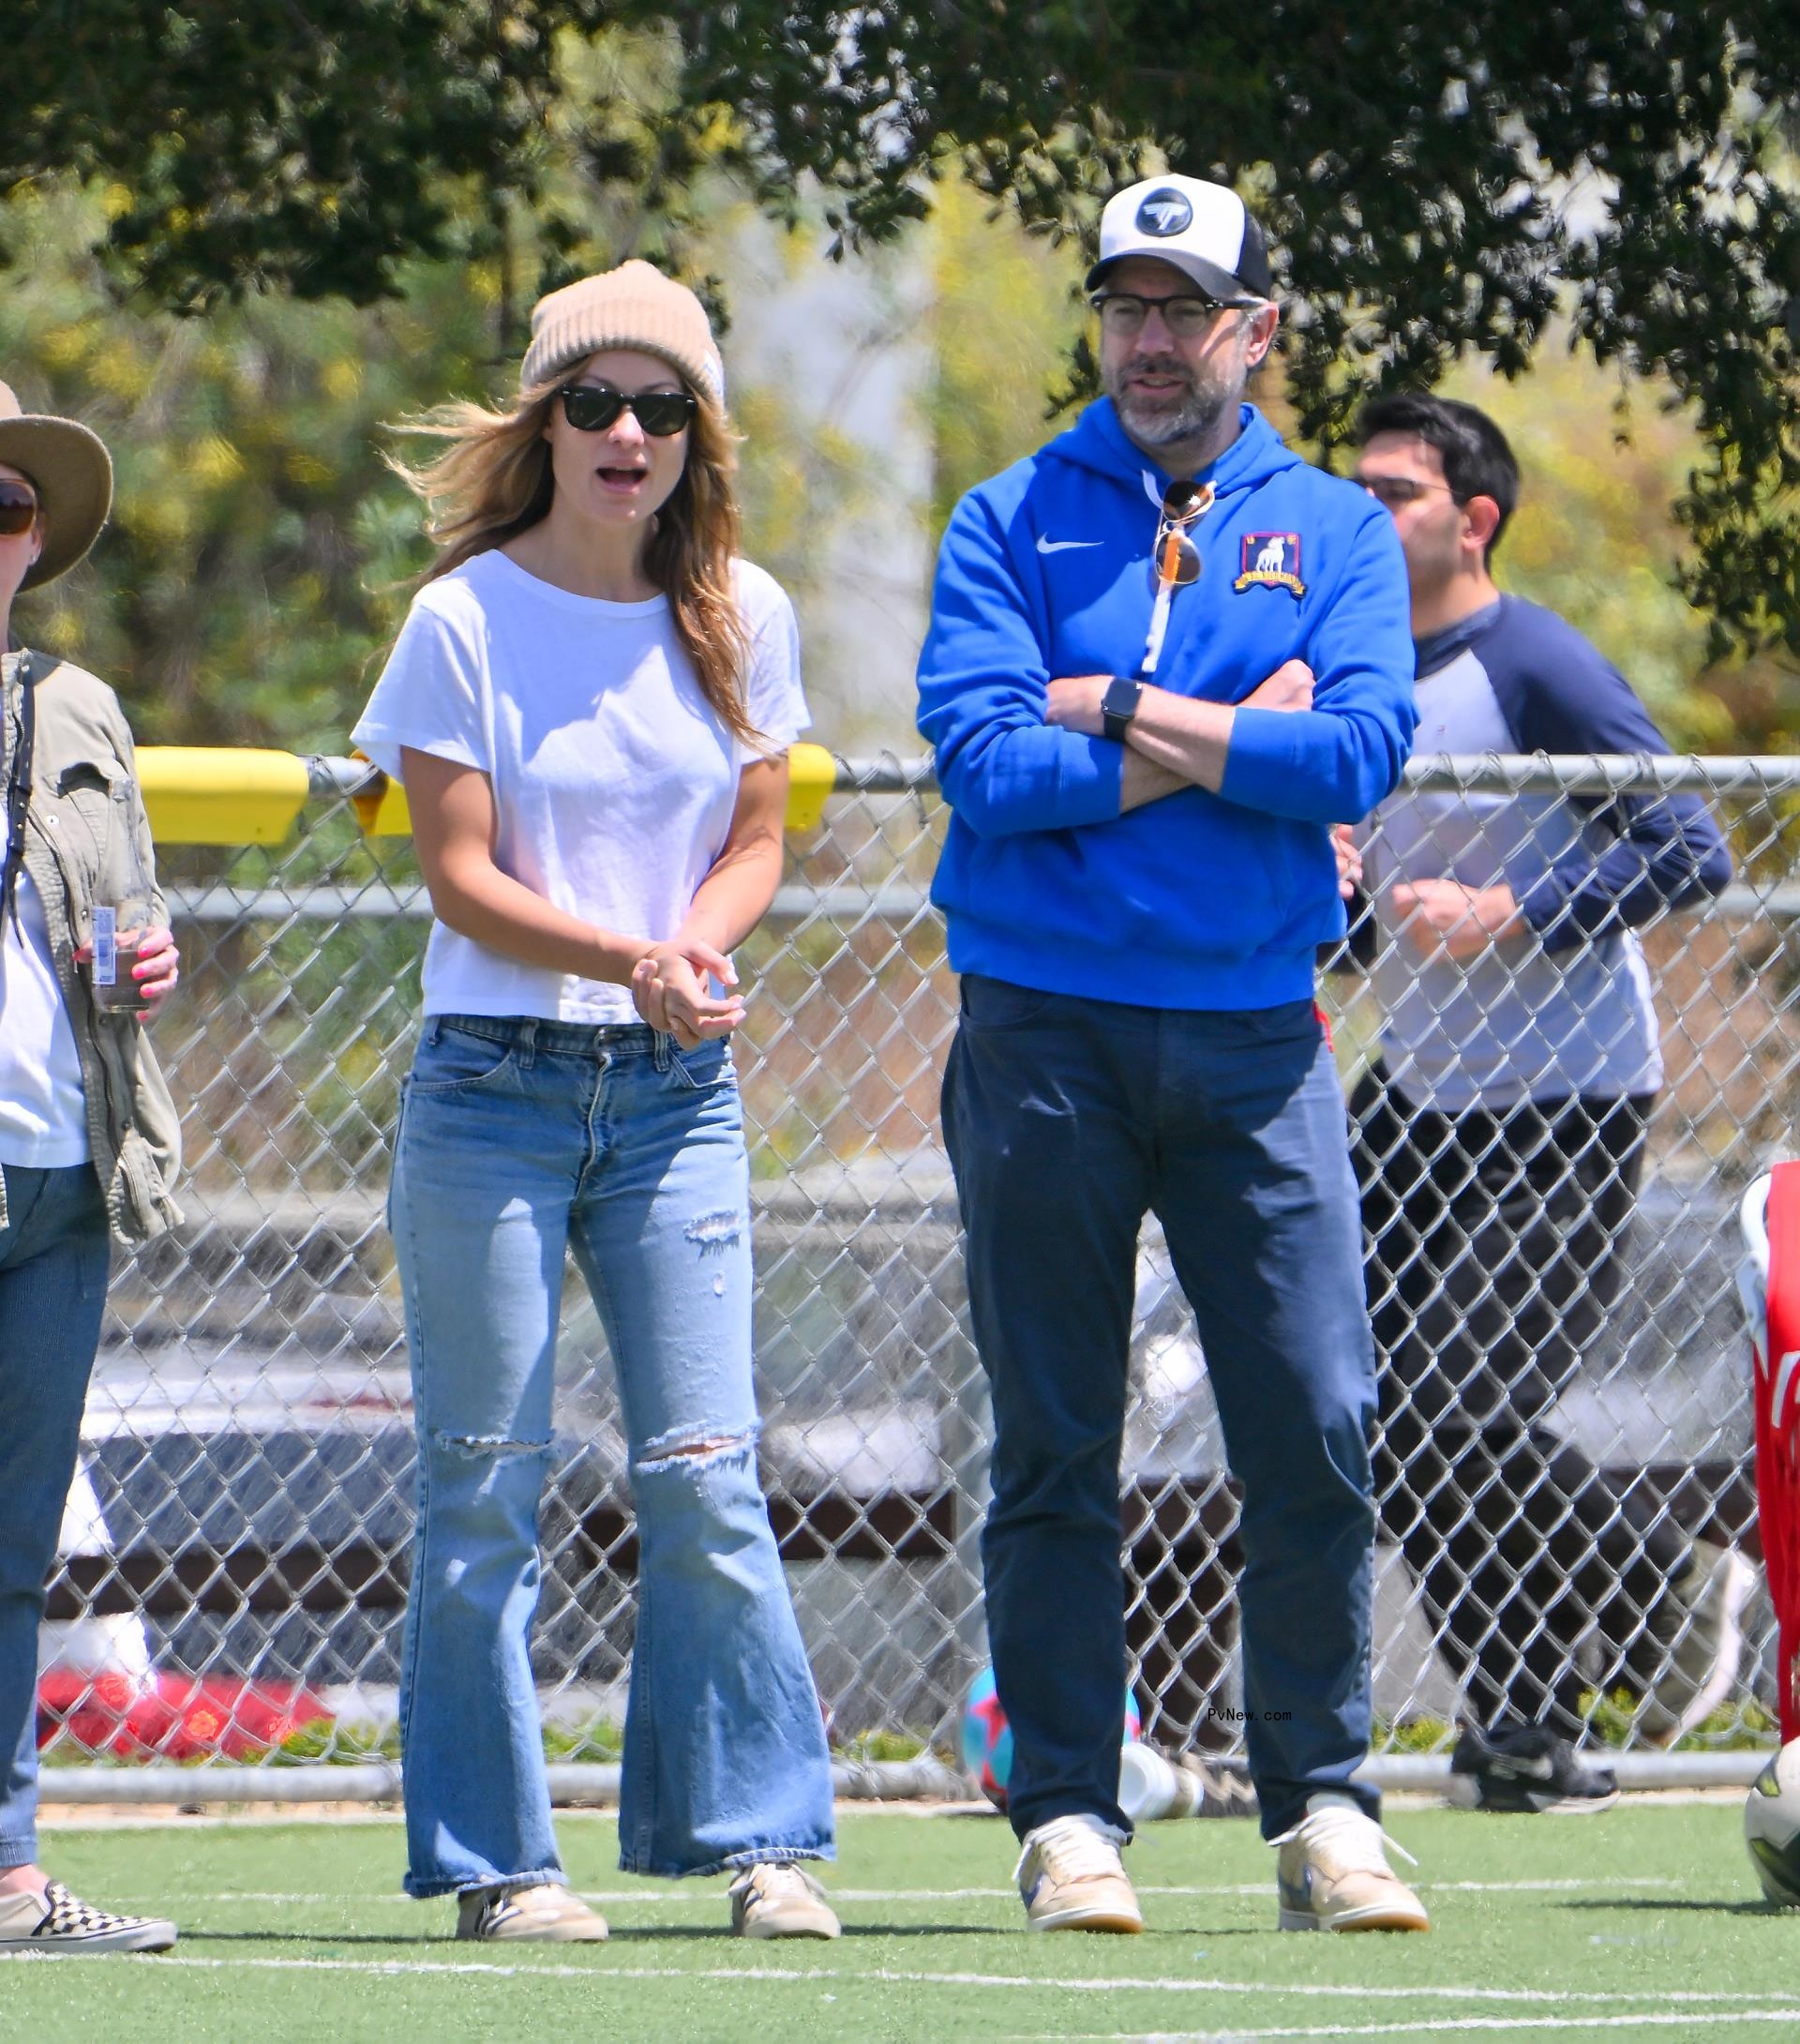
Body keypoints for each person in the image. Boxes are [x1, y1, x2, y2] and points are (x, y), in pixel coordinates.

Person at [917, 173, 1429, 1935]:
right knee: (1055, 1438)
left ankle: (1327, 1807)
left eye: (1183, 308)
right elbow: (986, 774)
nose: (1148, 338)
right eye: (1124, 305)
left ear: (1253, 333)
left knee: (1314, 1419)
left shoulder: (1341, 530)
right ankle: (1068, 1814)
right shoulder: (1006, 515)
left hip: (1254, 1041)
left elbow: (1354, 759)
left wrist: (1120, 710)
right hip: (1039, 1030)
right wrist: (1225, 738)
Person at [352, 262, 838, 1943]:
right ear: (541, 425)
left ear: (695, 436)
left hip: (674, 1092)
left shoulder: (742, 609)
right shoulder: (463, 619)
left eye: (660, 408)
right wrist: (633, 952)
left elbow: (761, 837)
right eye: (592, 404)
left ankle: (759, 1843)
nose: (625, 434)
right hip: (493, 1083)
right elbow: (464, 880)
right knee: (482, 1479)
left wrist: (691, 956)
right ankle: (500, 1868)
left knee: (706, 1471)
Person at [1343, 391, 1742, 1813]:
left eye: (1396, 492)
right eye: (1358, 490)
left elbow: (1692, 851)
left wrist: (1513, 907)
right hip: (1420, 1097)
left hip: (1567, 1099)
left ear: (1473, 519)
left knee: (1459, 1405)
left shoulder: (1534, 665)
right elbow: (1373, 925)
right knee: (1367, 1411)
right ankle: (1519, 1725)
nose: (1368, 513)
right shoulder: (1346, 673)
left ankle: (1651, 1572)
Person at [0, 382, 183, 1954]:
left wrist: (144, 962)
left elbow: (120, 923)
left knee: (12, 1547)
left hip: (59, 1173)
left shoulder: (79, 706)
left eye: (5, 506)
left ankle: (3, 1868)